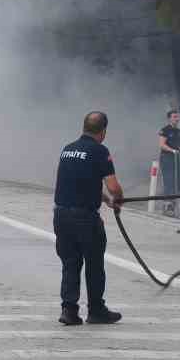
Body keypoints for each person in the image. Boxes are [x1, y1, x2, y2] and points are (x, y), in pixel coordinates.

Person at [53, 111, 124, 326]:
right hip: (85, 219)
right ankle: (96, 310)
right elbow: (113, 186)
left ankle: (69, 310)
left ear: (83, 127)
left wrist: (104, 200)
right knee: (94, 264)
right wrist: (117, 199)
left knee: (70, 263)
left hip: (61, 216)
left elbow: (79, 183)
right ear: (103, 132)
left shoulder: (68, 150)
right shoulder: (99, 151)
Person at [157, 108, 180, 216]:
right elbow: (162, 144)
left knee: (177, 182)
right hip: (166, 158)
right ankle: (167, 207)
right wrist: (172, 150)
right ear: (169, 119)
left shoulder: (178, 131)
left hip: (176, 158)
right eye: (174, 117)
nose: (177, 119)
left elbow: (179, 145)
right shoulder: (165, 130)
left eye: (178, 117)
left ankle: (173, 205)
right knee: (169, 182)